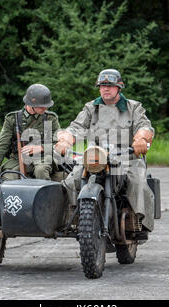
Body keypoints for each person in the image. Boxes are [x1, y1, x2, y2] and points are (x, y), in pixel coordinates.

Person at [54, 69, 155, 234]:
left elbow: (144, 125)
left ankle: (138, 220)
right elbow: (76, 127)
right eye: (102, 85)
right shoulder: (91, 108)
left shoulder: (133, 107)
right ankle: (74, 215)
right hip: (95, 158)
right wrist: (65, 139)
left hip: (126, 158)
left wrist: (141, 138)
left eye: (110, 85)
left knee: (137, 182)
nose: (106, 89)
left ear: (119, 87)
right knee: (71, 180)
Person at [0, 84, 60, 183]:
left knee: (41, 171)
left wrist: (41, 148)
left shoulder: (49, 119)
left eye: (46, 106)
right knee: (8, 178)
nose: (45, 109)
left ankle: (46, 198)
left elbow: (58, 144)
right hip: (17, 158)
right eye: (42, 106)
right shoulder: (13, 119)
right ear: (31, 104)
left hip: (42, 157)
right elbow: (2, 145)